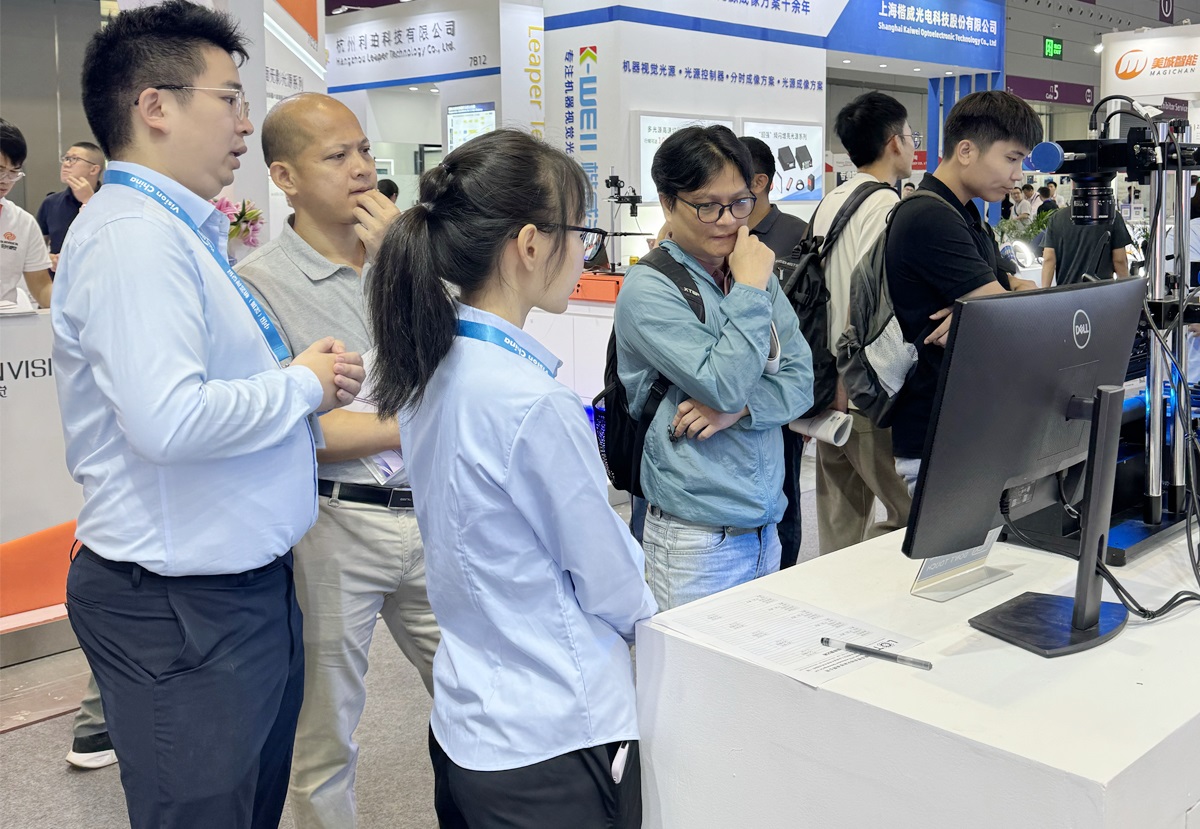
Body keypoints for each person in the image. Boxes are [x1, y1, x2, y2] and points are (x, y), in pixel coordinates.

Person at [51, 3, 366, 827]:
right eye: (228, 99)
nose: (245, 123)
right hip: (180, 609)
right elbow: (168, 420)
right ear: (155, 106)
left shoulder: (175, 228)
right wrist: (301, 385)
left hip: (233, 593)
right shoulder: (132, 238)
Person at [367, 128, 657, 828]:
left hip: (469, 719)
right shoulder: (531, 401)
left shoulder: (429, 365)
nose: (582, 252)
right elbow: (607, 576)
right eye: (580, 232)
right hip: (552, 735)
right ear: (529, 244)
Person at [236, 92, 439, 829]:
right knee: (325, 727)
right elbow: (292, 426)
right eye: (336, 156)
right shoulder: (259, 283)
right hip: (333, 523)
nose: (361, 169)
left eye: (364, 151)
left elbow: (461, 360)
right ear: (285, 177)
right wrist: (406, 426)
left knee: (479, 689)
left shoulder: (412, 255)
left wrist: (403, 264)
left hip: (433, 512)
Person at [614, 125, 814, 610]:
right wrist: (750, 290)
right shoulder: (649, 288)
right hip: (695, 540)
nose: (727, 221)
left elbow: (802, 382)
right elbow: (723, 384)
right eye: (708, 206)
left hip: (765, 526)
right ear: (668, 203)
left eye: (740, 203)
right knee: (689, 664)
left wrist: (739, 410)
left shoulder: (749, 273)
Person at [886, 90, 1043, 492]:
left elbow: (1014, 288)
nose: (1018, 175)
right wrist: (987, 308)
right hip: (939, 431)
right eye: (1012, 158)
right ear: (967, 150)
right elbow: (1012, 312)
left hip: (968, 422)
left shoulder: (965, 213)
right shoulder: (928, 215)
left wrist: (981, 308)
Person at [809, 91, 913, 555]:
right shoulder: (885, 205)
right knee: (910, 516)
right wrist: (850, 381)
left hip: (826, 383)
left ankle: (833, 592)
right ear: (893, 142)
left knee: (840, 519)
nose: (912, 144)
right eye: (910, 135)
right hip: (862, 388)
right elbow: (866, 299)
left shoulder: (831, 200)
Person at [739, 134, 809, 568]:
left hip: (779, 386)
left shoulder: (796, 234)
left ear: (760, 182)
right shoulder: (723, 236)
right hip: (733, 385)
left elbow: (814, 314)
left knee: (785, 494)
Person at [0, 120, 52, 308]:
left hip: (7, 322)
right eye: (0, 171)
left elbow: (42, 286)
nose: (6, 181)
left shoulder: (22, 222)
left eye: (13, 173)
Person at [37, 141, 105, 272]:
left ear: (93, 169)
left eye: (74, 159)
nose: (66, 164)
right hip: (58, 279)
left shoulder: (110, 202)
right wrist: (48, 258)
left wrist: (89, 201)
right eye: (66, 158)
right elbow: (36, 249)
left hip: (96, 277)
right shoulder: (51, 202)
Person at [1040, 207, 1132, 288]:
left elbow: (1049, 259)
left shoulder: (1057, 218)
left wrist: (1044, 292)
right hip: (1101, 292)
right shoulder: (1111, 215)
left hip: (1066, 292)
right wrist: (1126, 289)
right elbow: (1119, 260)